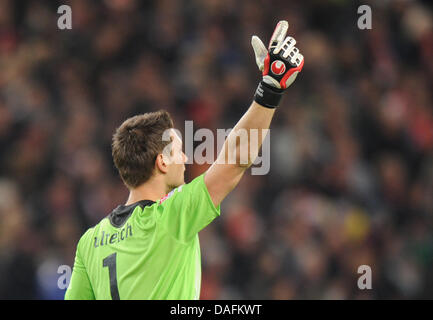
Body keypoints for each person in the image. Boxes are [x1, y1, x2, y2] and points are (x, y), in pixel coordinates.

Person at [64, 20, 304, 300]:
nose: (186, 158)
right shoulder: (171, 217)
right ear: (162, 163)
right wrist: (270, 90)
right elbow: (236, 160)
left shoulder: (90, 242)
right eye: (178, 151)